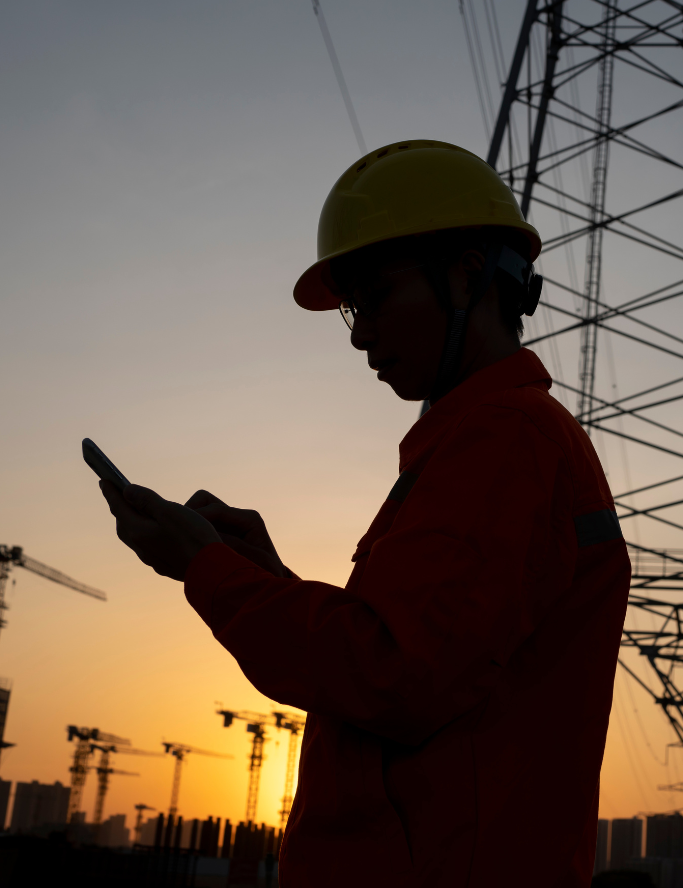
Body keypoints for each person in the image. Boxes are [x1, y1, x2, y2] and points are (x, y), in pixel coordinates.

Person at [99, 140, 631, 887]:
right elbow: (409, 654)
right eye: (351, 306)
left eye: (376, 295)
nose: (358, 332)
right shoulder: (479, 443)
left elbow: (390, 677)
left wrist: (208, 569)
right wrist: (267, 577)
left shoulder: (504, 439)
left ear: (468, 274)